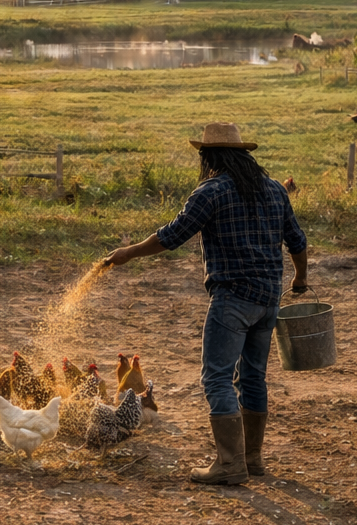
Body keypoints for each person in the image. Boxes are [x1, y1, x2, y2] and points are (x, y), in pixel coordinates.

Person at [102, 123, 308, 485]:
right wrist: (300, 278)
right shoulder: (275, 189)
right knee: (254, 377)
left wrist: (128, 253)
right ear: (244, 154)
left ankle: (230, 465)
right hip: (269, 298)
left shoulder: (211, 192)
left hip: (232, 299)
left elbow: (171, 236)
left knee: (217, 377)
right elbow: (297, 240)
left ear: (210, 157)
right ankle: (252, 459)